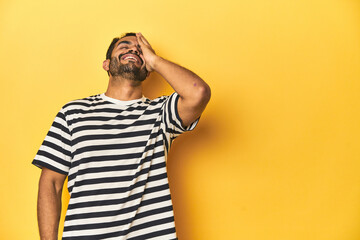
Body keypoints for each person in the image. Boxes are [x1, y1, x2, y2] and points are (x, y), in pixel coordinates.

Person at [32, 32, 211, 240]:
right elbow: (51, 183)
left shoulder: (160, 113)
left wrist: (154, 59)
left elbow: (198, 92)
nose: (133, 49)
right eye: (124, 46)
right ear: (107, 64)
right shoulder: (73, 112)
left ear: (148, 70)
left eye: (140, 50)